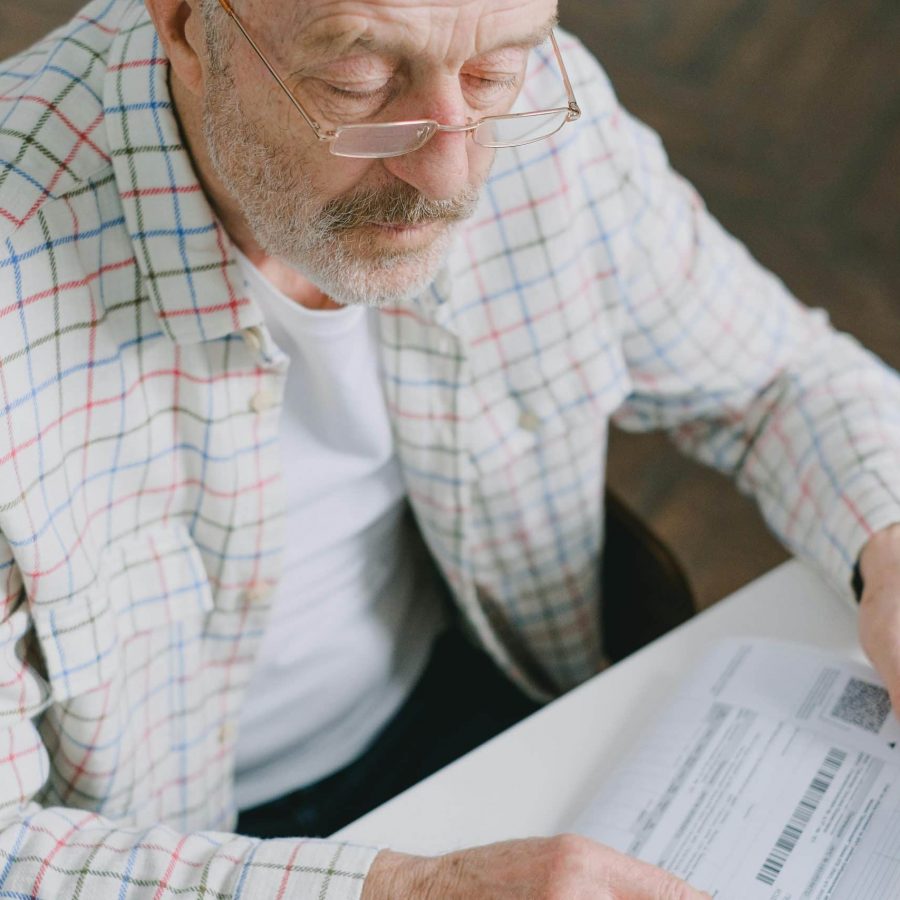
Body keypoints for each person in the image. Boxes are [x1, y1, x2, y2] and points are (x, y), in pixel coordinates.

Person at [0, 0, 898, 896]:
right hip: (144, 847)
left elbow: (779, 376)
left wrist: (889, 547)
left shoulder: (538, 104)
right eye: (359, 80)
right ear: (189, 25)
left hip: (488, 699)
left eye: (494, 71)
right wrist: (404, 890)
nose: (452, 170)